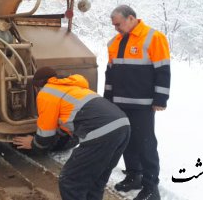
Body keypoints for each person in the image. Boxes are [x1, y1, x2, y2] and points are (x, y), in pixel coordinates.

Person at [13, 67, 130, 200]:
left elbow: (45, 136)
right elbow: (68, 121)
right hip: (123, 125)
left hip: (100, 133)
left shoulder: (46, 93)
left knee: (70, 181)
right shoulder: (73, 87)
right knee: (95, 181)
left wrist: (34, 144)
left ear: (37, 87)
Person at [104, 5, 170, 200]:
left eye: (118, 24)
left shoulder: (153, 37)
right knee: (128, 142)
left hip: (143, 104)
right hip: (120, 103)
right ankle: (134, 176)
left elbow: (163, 71)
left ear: (131, 18)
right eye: (114, 25)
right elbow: (110, 74)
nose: (116, 28)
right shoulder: (114, 42)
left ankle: (151, 187)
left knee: (145, 143)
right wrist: (108, 100)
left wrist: (160, 99)